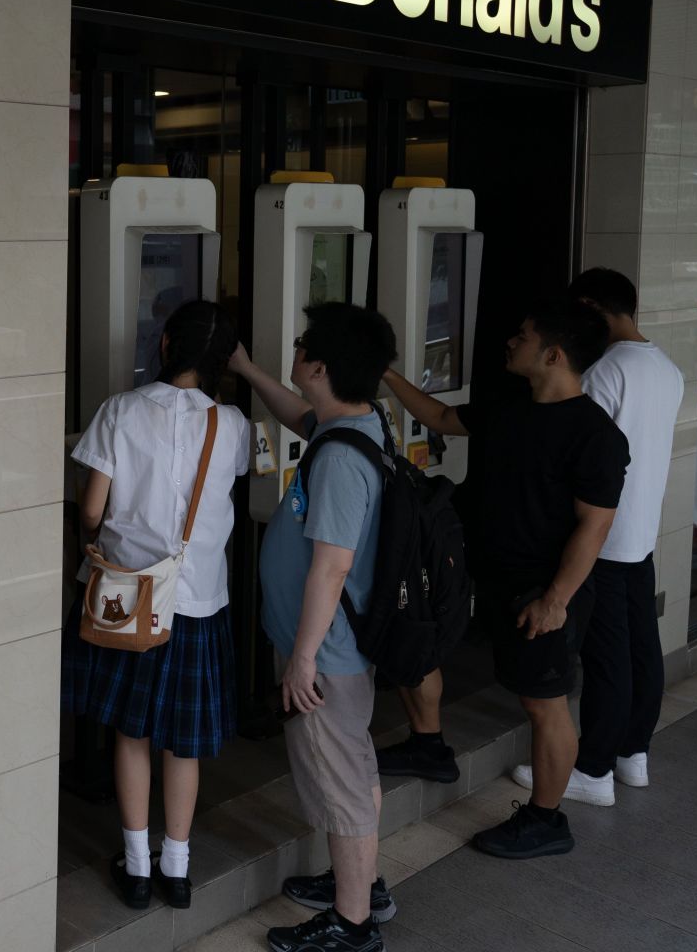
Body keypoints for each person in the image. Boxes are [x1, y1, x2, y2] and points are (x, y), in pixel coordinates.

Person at [383, 297, 628, 859]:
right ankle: (428, 746)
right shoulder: (509, 405)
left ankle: (546, 820)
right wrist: (386, 374)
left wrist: (556, 600)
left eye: (523, 335)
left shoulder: (595, 436)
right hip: (486, 575)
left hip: (541, 591)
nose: (511, 342)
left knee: (544, 703)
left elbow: (594, 528)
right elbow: (440, 419)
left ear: (554, 353)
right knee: (444, 654)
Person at [63, 301, 250, 912]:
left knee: (132, 731)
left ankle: (137, 869)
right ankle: (178, 868)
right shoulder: (233, 425)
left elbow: (91, 509)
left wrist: (97, 533)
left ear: (166, 344)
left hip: (129, 600)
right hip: (196, 601)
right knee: (183, 741)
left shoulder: (119, 411)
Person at [235, 303, 399, 952]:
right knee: (354, 770)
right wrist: (247, 370)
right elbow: (294, 413)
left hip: (327, 656)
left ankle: (352, 925)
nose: (295, 353)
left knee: (343, 785)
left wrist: (302, 660)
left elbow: (330, 570)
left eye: (301, 347)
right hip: (339, 650)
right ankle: (362, 886)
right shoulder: (355, 423)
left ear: (321, 366)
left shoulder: (339, 462)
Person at [510, 270, 681, 805]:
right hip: (641, 530)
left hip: (601, 537)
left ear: (591, 307)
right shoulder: (666, 366)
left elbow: (578, 445)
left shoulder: (608, 371)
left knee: (607, 656)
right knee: (640, 646)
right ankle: (633, 754)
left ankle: (595, 768)